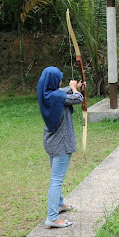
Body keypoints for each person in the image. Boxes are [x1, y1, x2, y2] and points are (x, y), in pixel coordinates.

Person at [37, 66, 84, 228]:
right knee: (56, 180)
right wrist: (73, 89)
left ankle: (60, 203)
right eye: (59, 80)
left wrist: (73, 87)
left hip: (50, 140)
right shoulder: (56, 96)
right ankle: (52, 217)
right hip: (61, 142)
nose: (61, 82)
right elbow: (78, 99)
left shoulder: (45, 93)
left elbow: (61, 92)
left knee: (56, 177)